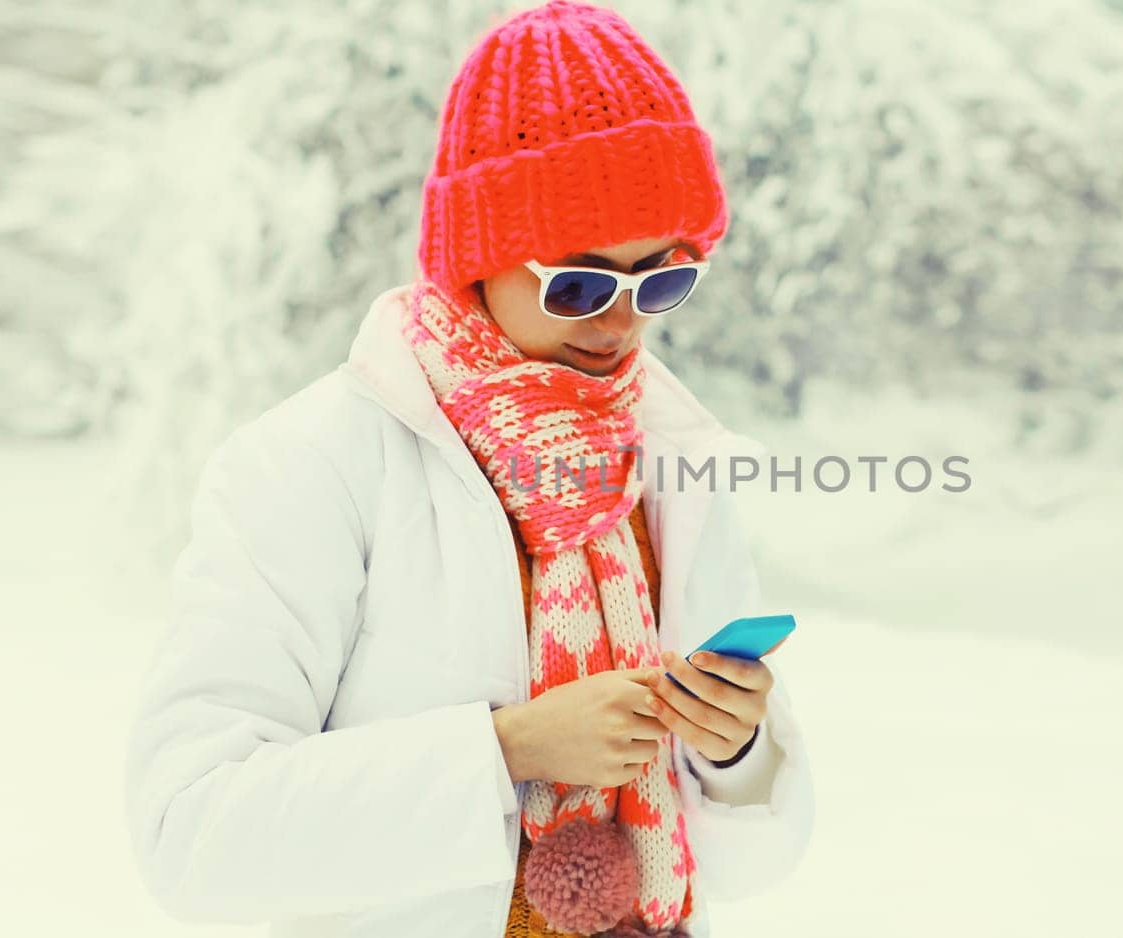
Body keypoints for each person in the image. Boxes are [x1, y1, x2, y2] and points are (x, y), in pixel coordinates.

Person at [121, 2, 816, 936]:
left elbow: (754, 862)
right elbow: (190, 829)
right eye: (577, 282)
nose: (620, 322)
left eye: (661, 280)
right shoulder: (311, 465)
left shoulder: (665, 457)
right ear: (478, 260)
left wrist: (737, 754)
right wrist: (508, 750)